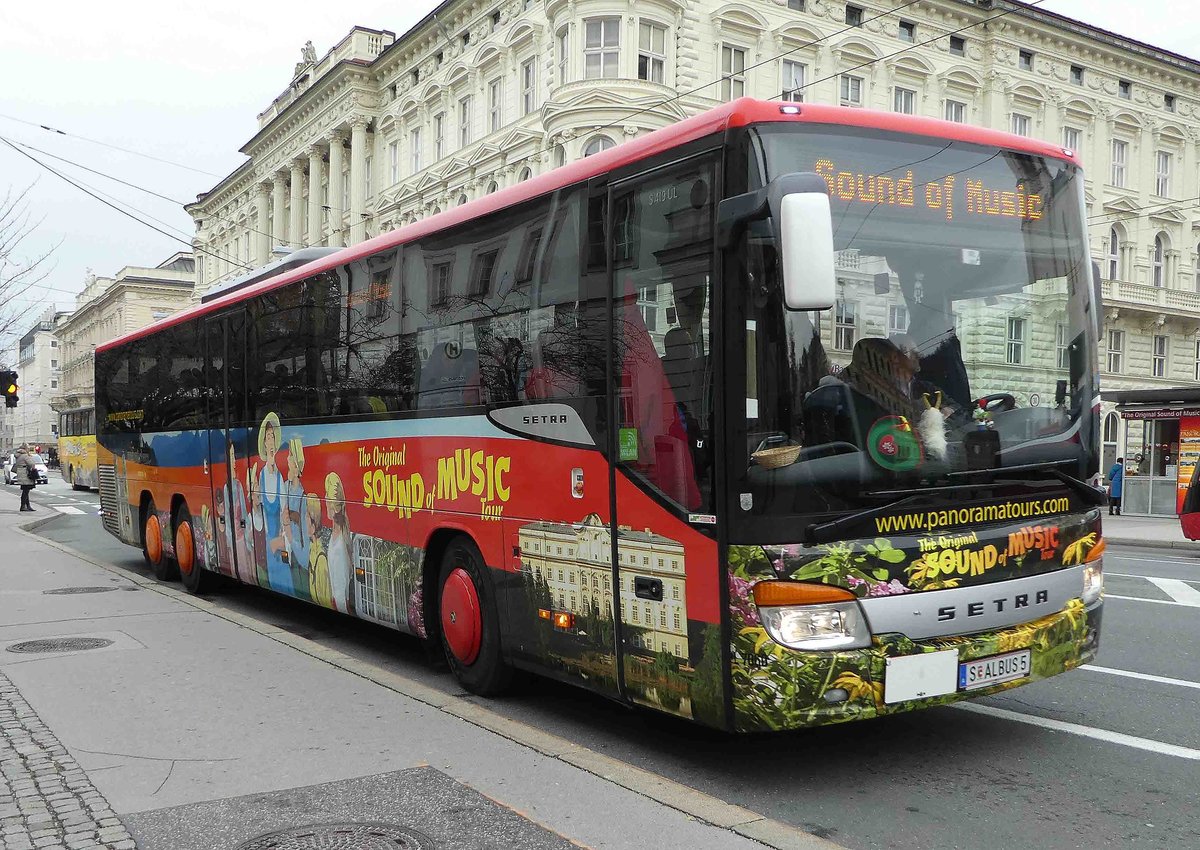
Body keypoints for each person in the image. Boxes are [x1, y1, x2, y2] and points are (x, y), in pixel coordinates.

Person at [12, 444, 36, 511]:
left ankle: (27, 506)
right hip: (25, 474)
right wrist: (30, 457)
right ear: (25, 448)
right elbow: (32, 463)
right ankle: (23, 506)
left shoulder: (19, 455)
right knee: (26, 491)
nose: (29, 449)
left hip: (21, 473)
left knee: (26, 490)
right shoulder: (25, 455)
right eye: (28, 448)